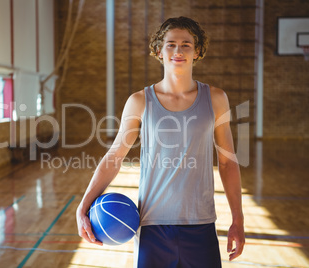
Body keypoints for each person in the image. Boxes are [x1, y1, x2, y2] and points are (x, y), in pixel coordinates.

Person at [76, 16, 245, 267]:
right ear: (159, 50)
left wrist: (238, 220)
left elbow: (228, 163)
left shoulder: (216, 98)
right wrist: (83, 206)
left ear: (197, 51)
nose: (178, 50)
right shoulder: (139, 101)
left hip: (201, 224)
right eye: (171, 44)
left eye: (186, 44)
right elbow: (114, 157)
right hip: (152, 225)